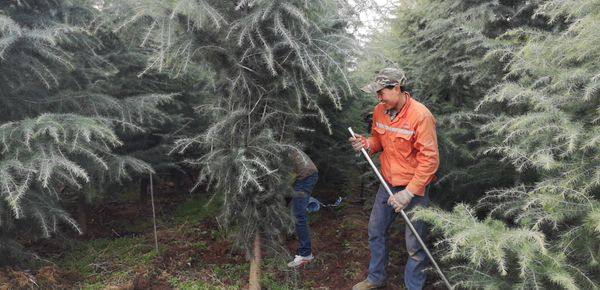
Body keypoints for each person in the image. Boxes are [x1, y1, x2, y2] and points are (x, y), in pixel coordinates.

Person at [349, 68, 440, 290]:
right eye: (377, 93)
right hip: (388, 182)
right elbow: (379, 141)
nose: (378, 97)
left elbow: (430, 160)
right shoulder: (380, 110)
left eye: (381, 92)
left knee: (415, 243)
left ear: (397, 88)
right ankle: (375, 278)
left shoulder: (421, 116)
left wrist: (408, 193)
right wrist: (367, 144)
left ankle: (413, 286)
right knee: (376, 230)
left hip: (414, 187)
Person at [286, 148, 319, 268]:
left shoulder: (277, 149)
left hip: (305, 176)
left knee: (298, 214)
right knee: (295, 209)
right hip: (304, 175)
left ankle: (306, 254)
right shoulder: (282, 144)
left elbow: (285, 177)